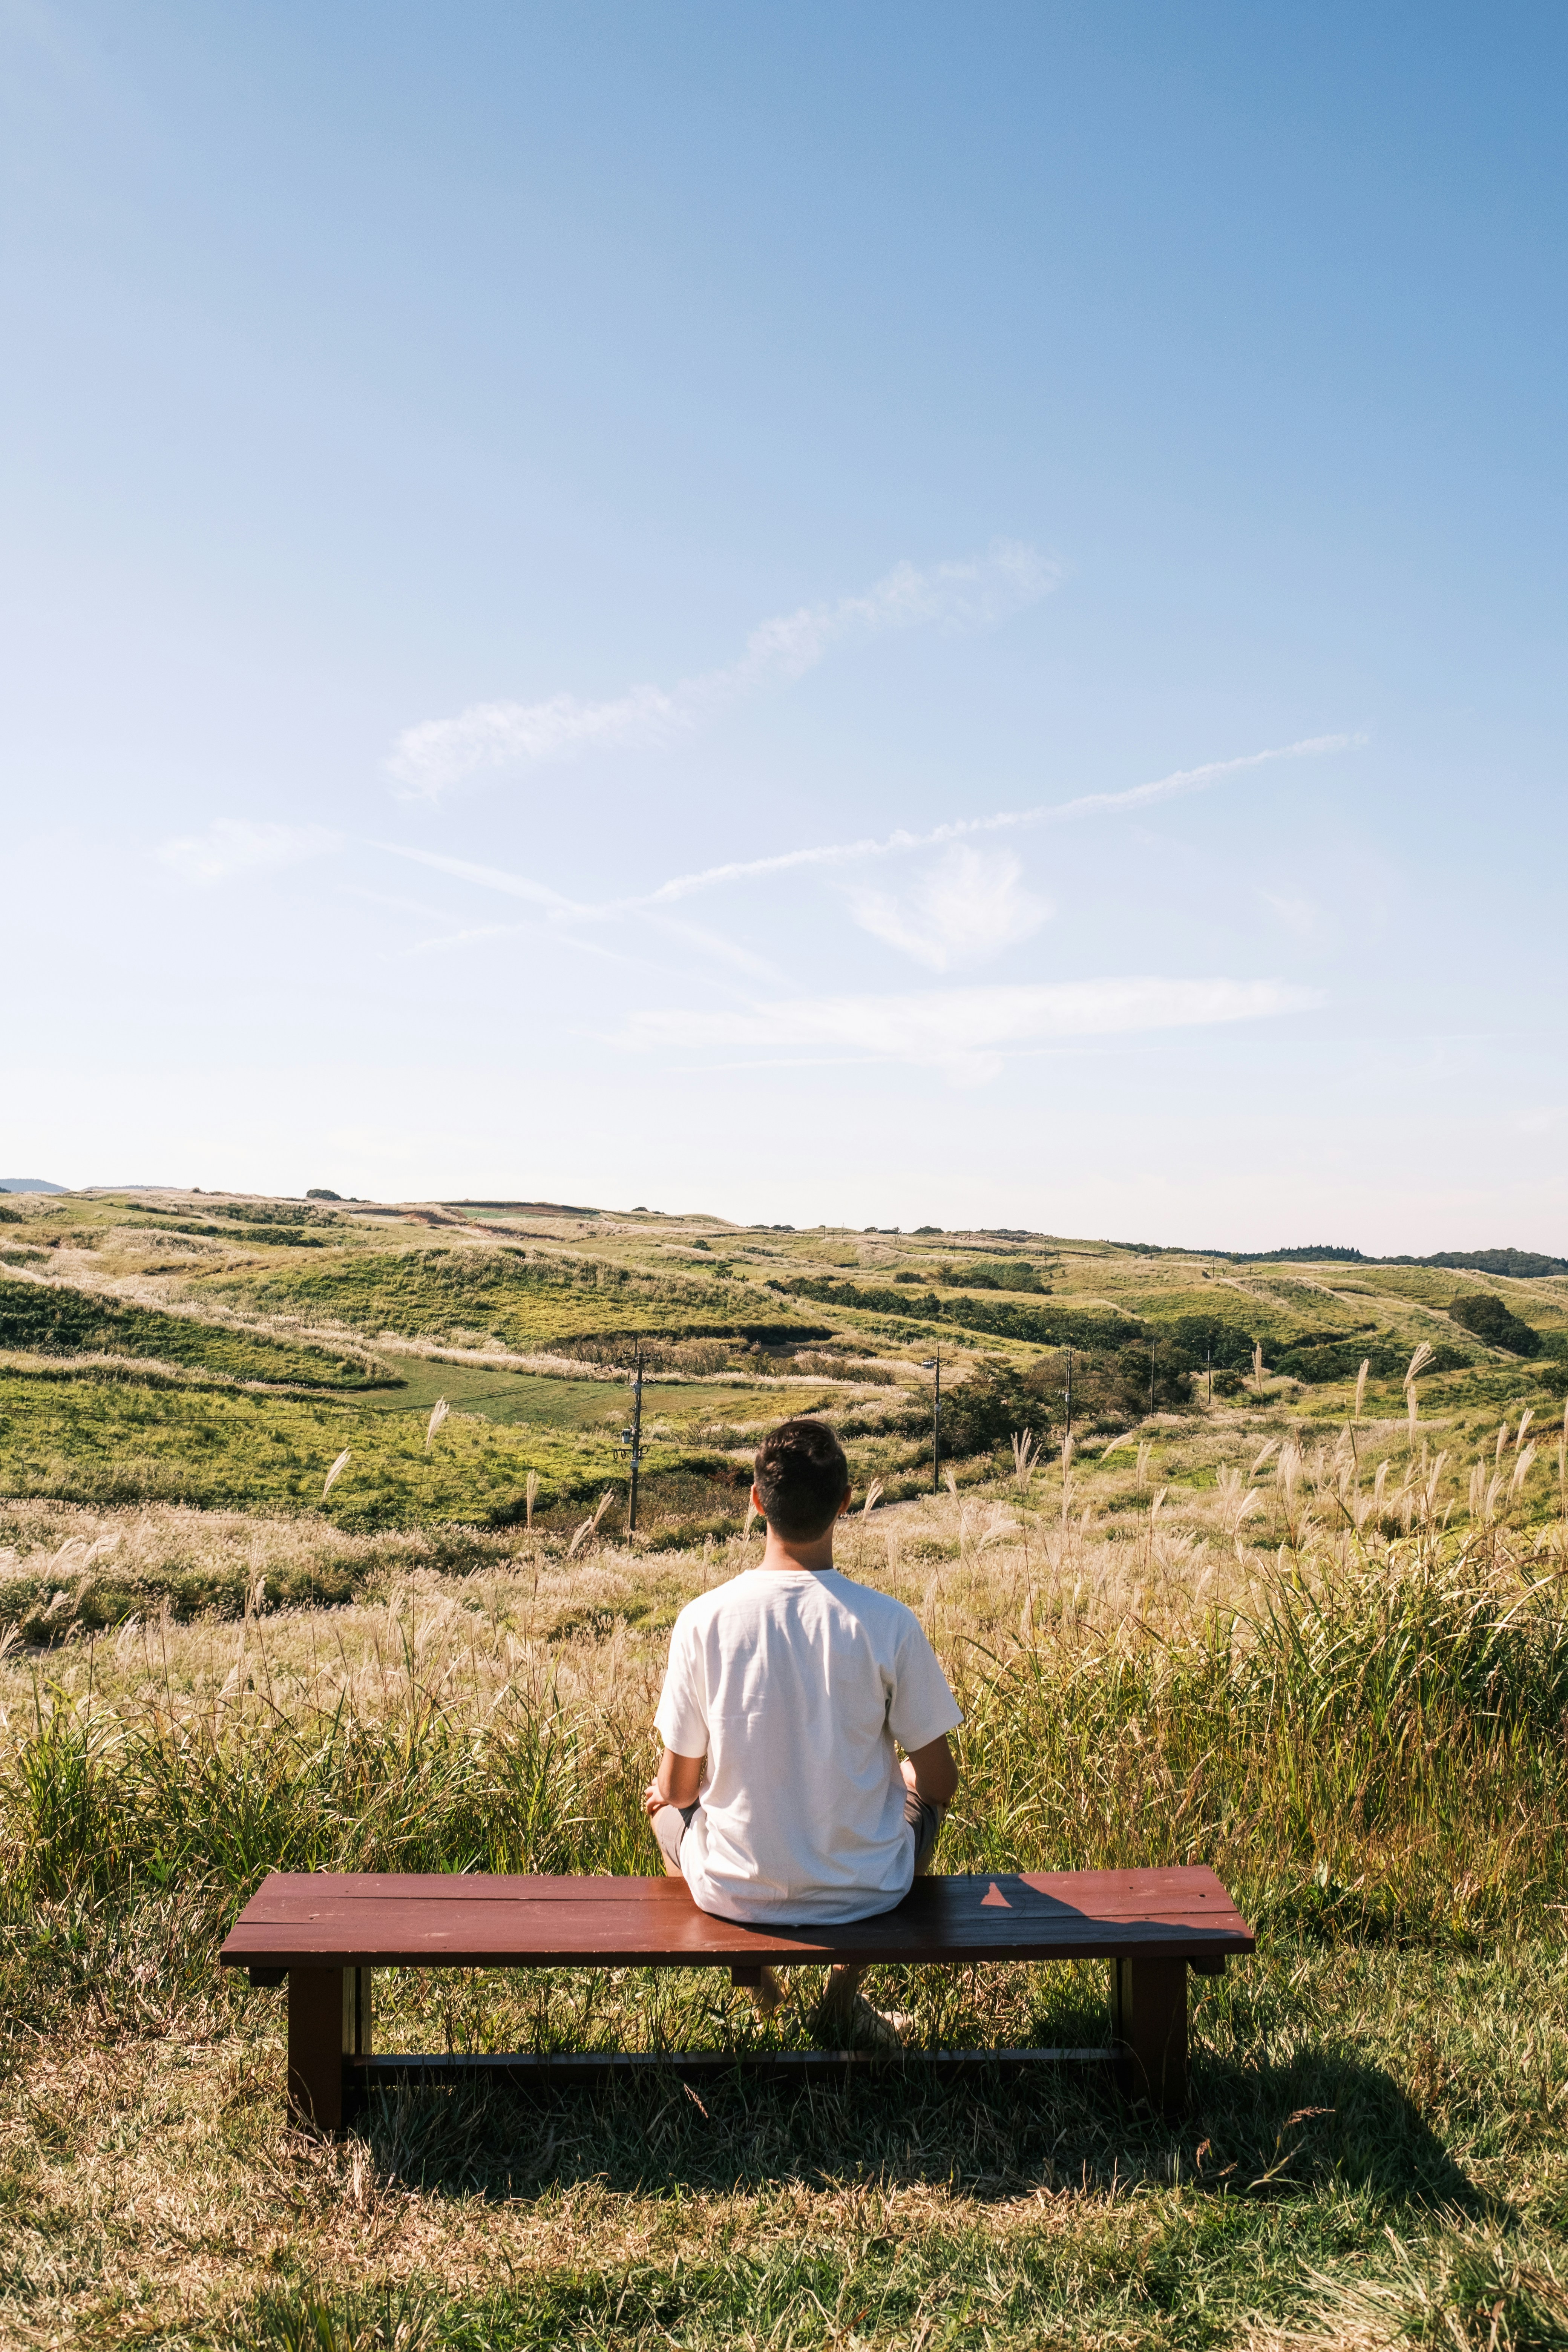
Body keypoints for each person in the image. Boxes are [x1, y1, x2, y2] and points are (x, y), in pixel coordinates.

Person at [644, 1415, 961, 2046]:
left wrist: (680, 1792)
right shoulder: (889, 1623)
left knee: (659, 1808)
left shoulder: (702, 1620)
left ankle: (757, 1976)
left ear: (757, 1501)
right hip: (870, 1890)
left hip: (733, 1890)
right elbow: (943, 1782)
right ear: (846, 1504)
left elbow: (679, 1791)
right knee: (915, 1790)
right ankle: (842, 1997)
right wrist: (904, 1782)